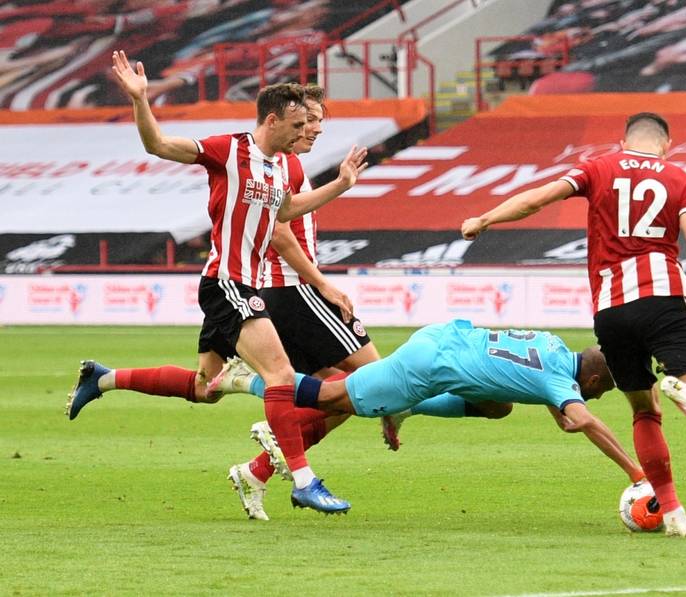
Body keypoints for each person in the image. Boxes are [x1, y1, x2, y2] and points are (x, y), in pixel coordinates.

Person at [65, 50, 367, 514]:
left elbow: (284, 213)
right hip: (227, 283)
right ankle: (304, 480)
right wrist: (141, 101)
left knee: (206, 389)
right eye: (299, 124)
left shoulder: (285, 167)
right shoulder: (230, 149)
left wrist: (340, 186)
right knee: (282, 376)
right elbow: (159, 145)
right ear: (272, 120)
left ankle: (103, 379)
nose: (307, 132)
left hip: (243, 287)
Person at [460, 112, 686, 537]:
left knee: (643, 412)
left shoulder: (598, 167)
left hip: (610, 312)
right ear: (666, 144)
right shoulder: (679, 179)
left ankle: (671, 511)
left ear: (623, 140)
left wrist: (484, 219)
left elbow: (538, 198)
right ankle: (681, 385)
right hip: (661, 297)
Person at [222, 84, 389, 520]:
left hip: (279, 292)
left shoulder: (284, 163)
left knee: (341, 394)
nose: (315, 128)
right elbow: (280, 232)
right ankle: (278, 430)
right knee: (377, 381)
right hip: (294, 291)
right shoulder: (282, 165)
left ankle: (259, 468)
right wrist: (326, 286)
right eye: (308, 120)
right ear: (283, 120)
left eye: (318, 121)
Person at [253, 320, 650, 496]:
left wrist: (562, 406)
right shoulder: (560, 381)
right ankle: (247, 380)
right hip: (430, 364)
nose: (598, 398)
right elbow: (581, 421)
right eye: (603, 391)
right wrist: (636, 472)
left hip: (445, 339)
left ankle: (406, 409)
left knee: (499, 407)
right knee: (332, 399)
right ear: (593, 382)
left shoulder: (553, 346)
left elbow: (557, 407)